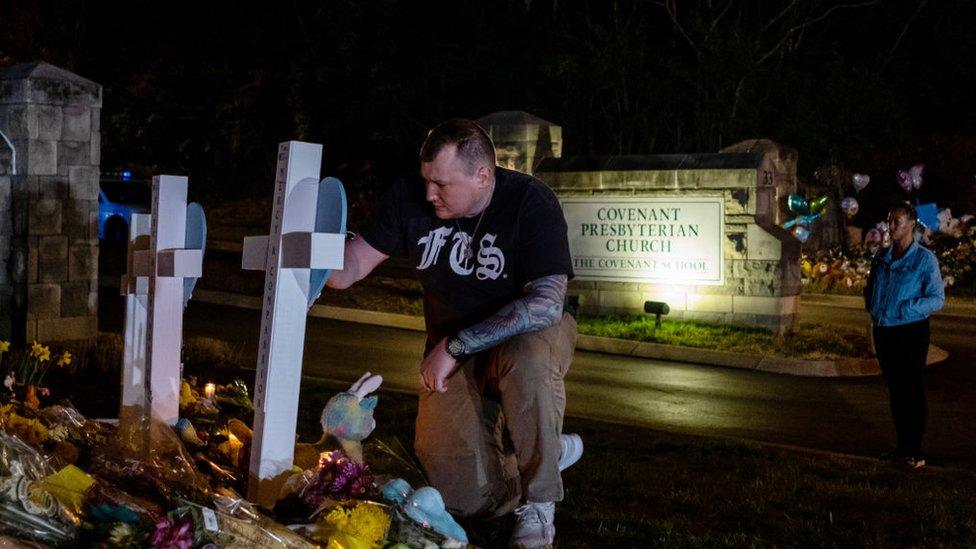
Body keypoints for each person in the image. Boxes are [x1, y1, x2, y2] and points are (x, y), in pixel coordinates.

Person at [327, 118, 582, 547]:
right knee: (462, 498)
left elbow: (546, 303)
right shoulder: (411, 197)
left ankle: (540, 503)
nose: (429, 194)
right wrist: (312, 251)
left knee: (529, 360)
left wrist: (458, 343)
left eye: (442, 184)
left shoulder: (530, 201)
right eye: (426, 179)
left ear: (483, 175)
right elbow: (351, 267)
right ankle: (545, 453)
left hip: (524, 338)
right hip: (452, 353)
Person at [864, 200, 944, 469]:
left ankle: (915, 450)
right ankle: (902, 447)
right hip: (885, 330)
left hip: (911, 331)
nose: (891, 226)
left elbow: (937, 298)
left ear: (911, 224)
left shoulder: (924, 259)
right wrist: (873, 307)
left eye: (897, 221)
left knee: (912, 390)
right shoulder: (882, 256)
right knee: (896, 391)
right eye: (889, 220)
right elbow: (872, 286)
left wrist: (909, 307)